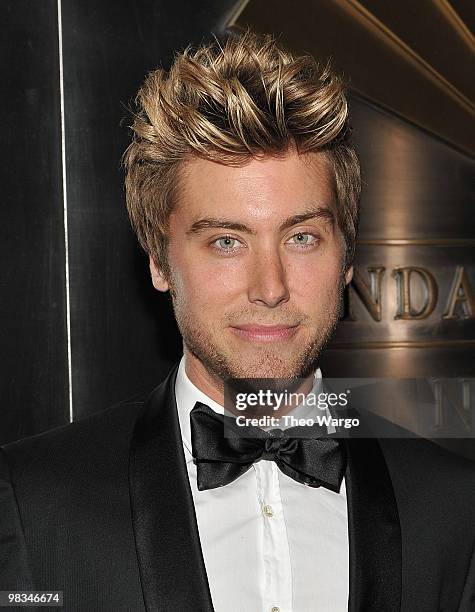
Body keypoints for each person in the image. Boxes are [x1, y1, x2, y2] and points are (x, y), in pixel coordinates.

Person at [1, 29, 474, 612]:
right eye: (227, 242)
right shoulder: (33, 502)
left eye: (301, 237)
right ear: (159, 259)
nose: (270, 287)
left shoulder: (454, 509)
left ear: (347, 257)